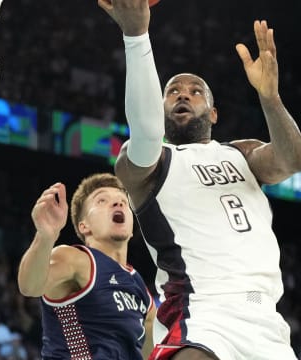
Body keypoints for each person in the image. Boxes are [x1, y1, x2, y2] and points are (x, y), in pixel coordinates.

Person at [98, 1, 301, 359]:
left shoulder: (243, 154)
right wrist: (136, 36)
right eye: (173, 92)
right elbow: (146, 134)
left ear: (214, 112)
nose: (183, 95)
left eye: (195, 92)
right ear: (160, 109)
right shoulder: (148, 162)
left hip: (266, 321)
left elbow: (292, 159)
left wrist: (270, 99)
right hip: (201, 313)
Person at [17, 172, 156, 360]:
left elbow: (150, 354)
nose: (118, 203)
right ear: (84, 226)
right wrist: (45, 237)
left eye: (123, 200)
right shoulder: (75, 259)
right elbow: (29, 286)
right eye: (102, 201)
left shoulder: (141, 291)